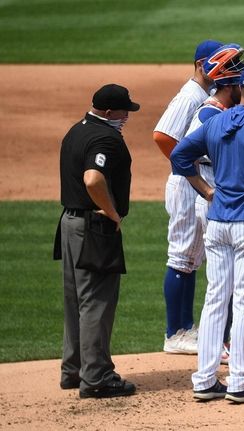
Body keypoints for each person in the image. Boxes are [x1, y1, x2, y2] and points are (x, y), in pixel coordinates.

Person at [171, 64, 244, 403]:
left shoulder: (216, 120)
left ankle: (205, 379)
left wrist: (206, 190)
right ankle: (239, 381)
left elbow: (180, 156)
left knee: (214, 300)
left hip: (218, 220)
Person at [55, 84, 140, 398]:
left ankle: (74, 370)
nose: (126, 117)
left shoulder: (77, 130)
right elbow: (93, 178)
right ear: (108, 112)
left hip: (69, 223)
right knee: (96, 302)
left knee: (75, 300)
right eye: (123, 112)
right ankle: (98, 377)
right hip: (93, 227)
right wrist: (111, 212)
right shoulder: (106, 138)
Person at [153, 39, 223, 354]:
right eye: (216, 63)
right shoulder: (190, 96)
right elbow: (162, 136)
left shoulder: (205, 95)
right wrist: (188, 166)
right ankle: (175, 333)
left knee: (191, 259)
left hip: (193, 181)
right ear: (200, 64)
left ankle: (186, 328)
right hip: (185, 183)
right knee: (181, 256)